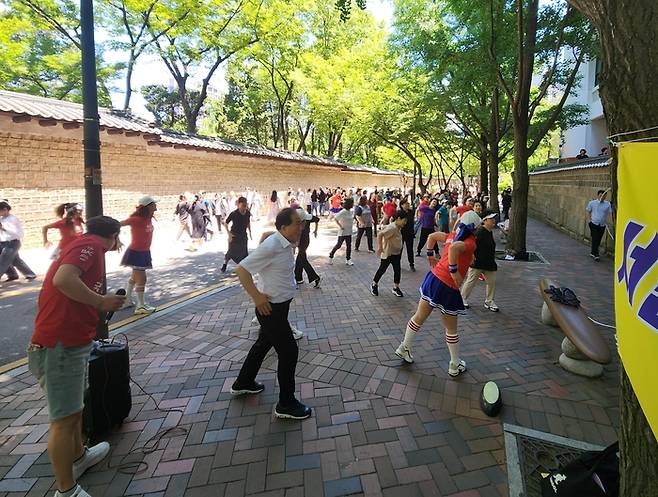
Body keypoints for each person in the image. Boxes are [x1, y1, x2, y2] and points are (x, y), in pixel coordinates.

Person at [27, 215, 126, 497]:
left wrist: (100, 299)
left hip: (70, 343)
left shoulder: (87, 244)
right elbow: (63, 278)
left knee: (74, 410)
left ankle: (78, 458)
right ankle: (66, 490)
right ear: (114, 235)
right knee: (63, 420)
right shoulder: (92, 246)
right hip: (59, 346)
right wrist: (100, 301)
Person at [230, 208, 312, 420]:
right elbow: (242, 270)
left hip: (279, 308)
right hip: (270, 310)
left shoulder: (284, 243)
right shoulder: (273, 245)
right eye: (297, 223)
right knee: (289, 352)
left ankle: (243, 382)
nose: (301, 227)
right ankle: (286, 404)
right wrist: (257, 297)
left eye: (301, 223)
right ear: (283, 227)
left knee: (262, 345)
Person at [394, 210, 481, 377]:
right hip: (448, 286)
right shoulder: (470, 242)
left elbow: (432, 236)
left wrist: (429, 255)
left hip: (433, 280)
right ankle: (454, 365)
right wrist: (455, 271)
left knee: (419, 316)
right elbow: (455, 249)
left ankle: (404, 347)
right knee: (451, 329)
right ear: (474, 229)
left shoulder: (452, 236)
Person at [120, 196, 158, 315]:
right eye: (154, 204)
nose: (156, 206)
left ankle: (127, 300)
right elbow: (118, 224)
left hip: (144, 251)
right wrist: (115, 239)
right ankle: (140, 306)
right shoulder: (136, 219)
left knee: (134, 278)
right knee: (142, 279)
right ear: (148, 206)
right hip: (137, 252)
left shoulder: (148, 218)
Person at [460, 212, 499, 312]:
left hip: (489, 262)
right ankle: (462, 298)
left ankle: (489, 301)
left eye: (494, 219)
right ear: (485, 220)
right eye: (491, 219)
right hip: (477, 262)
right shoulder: (479, 232)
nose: (494, 220)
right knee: (471, 281)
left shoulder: (489, 231)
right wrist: (471, 255)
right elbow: (471, 245)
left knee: (492, 282)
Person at [371, 211, 407, 298]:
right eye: (404, 220)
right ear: (398, 219)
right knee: (382, 269)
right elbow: (380, 234)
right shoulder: (393, 228)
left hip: (396, 253)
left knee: (397, 270)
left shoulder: (398, 227)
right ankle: (374, 284)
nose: (405, 223)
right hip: (388, 253)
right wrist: (380, 247)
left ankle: (396, 288)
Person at [0, 201, 37, 281]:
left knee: (3, 261)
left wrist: (3, 228)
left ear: (5, 209)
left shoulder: (13, 219)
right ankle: (23, 274)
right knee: (16, 260)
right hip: (3, 242)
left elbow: (17, 233)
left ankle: (25, 274)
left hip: (12, 243)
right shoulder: (2, 219)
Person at [222, 196, 252, 273]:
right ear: (238, 205)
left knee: (244, 252)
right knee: (231, 251)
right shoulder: (234, 214)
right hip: (234, 235)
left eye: (245, 206)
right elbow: (225, 223)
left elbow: (248, 223)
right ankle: (225, 264)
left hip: (243, 235)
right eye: (242, 206)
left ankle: (243, 268)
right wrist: (229, 234)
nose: (244, 208)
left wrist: (250, 232)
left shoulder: (248, 213)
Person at [294, 208, 321, 288]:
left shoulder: (307, 218)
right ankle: (298, 278)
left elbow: (317, 220)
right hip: (300, 240)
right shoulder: (299, 220)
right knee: (299, 260)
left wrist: (316, 230)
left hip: (304, 241)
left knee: (302, 259)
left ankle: (315, 277)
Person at [586, 189, 612, 261]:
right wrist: (589, 221)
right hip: (594, 223)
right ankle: (596, 254)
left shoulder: (607, 204)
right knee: (595, 238)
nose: (602, 197)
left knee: (598, 239)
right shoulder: (592, 203)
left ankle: (592, 252)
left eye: (604, 196)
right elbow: (588, 211)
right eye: (601, 196)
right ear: (598, 195)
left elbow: (610, 213)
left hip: (602, 225)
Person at [329, 198, 354, 266]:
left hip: (349, 231)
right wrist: (340, 226)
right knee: (339, 245)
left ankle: (348, 259)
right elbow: (335, 218)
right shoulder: (343, 211)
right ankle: (331, 255)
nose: (353, 204)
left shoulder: (351, 211)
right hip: (343, 232)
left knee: (349, 245)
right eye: (352, 203)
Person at [399, 198, 416, 272]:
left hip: (410, 233)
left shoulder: (411, 212)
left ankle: (411, 264)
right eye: (406, 204)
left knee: (410, 249)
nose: (407, 205)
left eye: (408, 203)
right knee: (399, 249)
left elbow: (413, 220)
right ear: (402, 205)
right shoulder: (399, 213)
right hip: (401, 234)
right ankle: (397, 264)